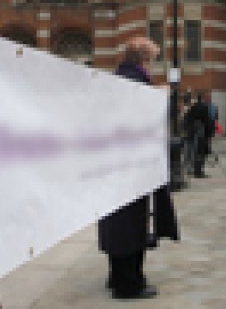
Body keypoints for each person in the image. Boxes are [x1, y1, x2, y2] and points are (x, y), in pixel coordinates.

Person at [98, 37, 178, 300]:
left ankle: (116, 275)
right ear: (143, 60)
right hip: (131, 167)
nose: (153, 66)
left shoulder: (117, 79)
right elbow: (140, 123)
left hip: (113, 166)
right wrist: (160, 98)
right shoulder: (135, 83)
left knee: (116, 223)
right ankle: (129, 283)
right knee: (130, 226)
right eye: (152, 60)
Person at [183, 93, 215, 178]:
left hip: (192, 131)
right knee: (200, 152)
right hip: (201, 131)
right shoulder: (204, 107)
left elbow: (188, 120)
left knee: (193, 151)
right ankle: (199, 171)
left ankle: (194, 169)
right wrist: (210, 133)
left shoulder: (192, 108)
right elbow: (207, 120)